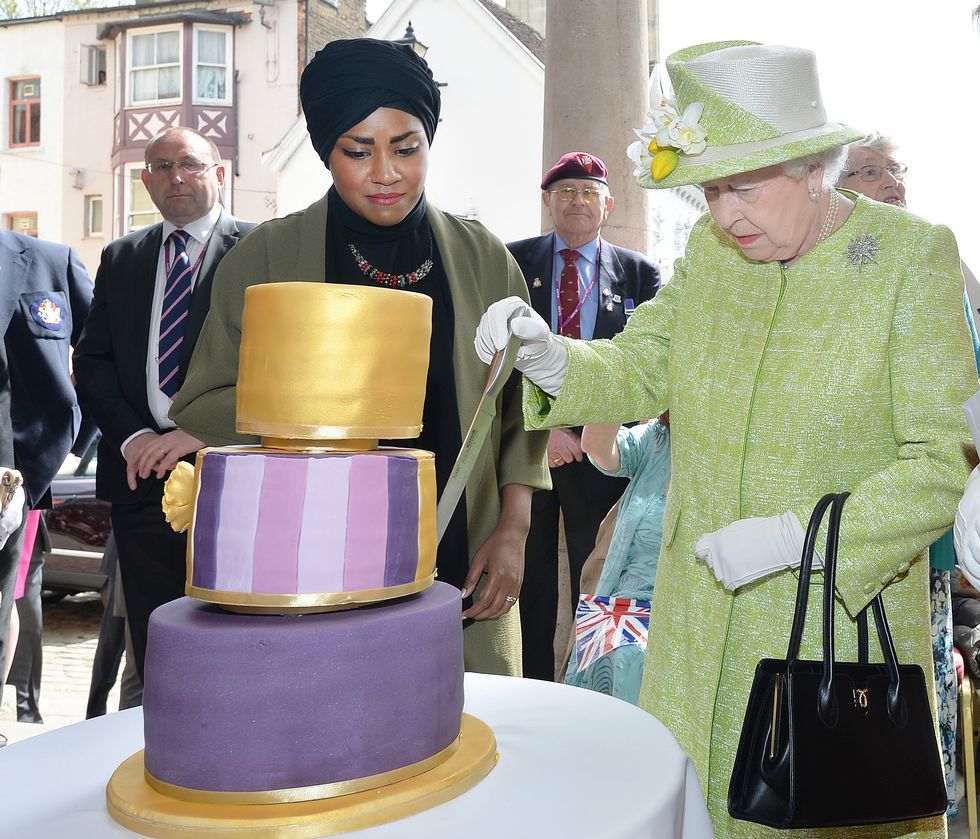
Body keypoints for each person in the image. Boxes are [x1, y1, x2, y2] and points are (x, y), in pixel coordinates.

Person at [477, 40, 975, 838]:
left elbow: (941, 460)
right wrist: (550, 357)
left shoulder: (910, 259)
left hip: (828, 647)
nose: (724, 214)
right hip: (694, 633)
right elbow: (642, 364)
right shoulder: (711, 255)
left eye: (743, 186)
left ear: (813, 167)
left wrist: (797, 541)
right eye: (710, 190)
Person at [170, 38, 550, 677]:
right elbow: (202, 402)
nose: (386, 172)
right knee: (332, 719)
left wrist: (513, 531)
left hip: (463, 561)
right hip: (314, 569)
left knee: (468, 726)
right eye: (358, 151)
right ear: (326, 152)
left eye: (406, 148)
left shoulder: (484, 258)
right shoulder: (265, 259)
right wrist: (318, 406)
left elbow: (520, 411)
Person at [74, 126, 255, 682]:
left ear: (219, 174)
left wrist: (201, 430)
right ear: (146, 181)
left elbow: (279, 364)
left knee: (237, 640)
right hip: (141, 475)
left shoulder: (258, 249)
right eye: (160, 167)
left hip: (232, 473)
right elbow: (94, 361)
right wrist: (134, 438)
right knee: (158, 648)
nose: (176, 176)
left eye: (190, 164)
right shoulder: (122, 256)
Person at [840, 132, 977, 817]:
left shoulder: (935, 258)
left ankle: (919, 798)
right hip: (853, 510)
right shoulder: (827, 267)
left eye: (896, 171)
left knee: (921, 665)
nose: (891, 182)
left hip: (932, 510)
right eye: (870, 171)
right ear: (835, 188)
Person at [506, 151, 660, 680]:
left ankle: (597, 683)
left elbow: (647, 364)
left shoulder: (639, 272)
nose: (578, 201)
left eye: (589, 192)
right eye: (566, 191)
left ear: (608, 205)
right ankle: (530, 687)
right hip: (530, 443)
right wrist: (546, 428)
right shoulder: (513, 261)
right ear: (547, 202)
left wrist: (589, 429)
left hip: (603, 450)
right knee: (527, 576)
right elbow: (498, 356)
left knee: (601, 572)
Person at [0, 226, 92, 721]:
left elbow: (102, 353)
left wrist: (74, 445)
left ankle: (16, 712)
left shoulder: (50, 261)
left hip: (20, 475)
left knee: (8, 600)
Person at [563, 417, 670, 704]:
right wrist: (622, 391)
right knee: (620, 652)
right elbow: (595, 446)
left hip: (693, 610)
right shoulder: (657, 438)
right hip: (628, 607)